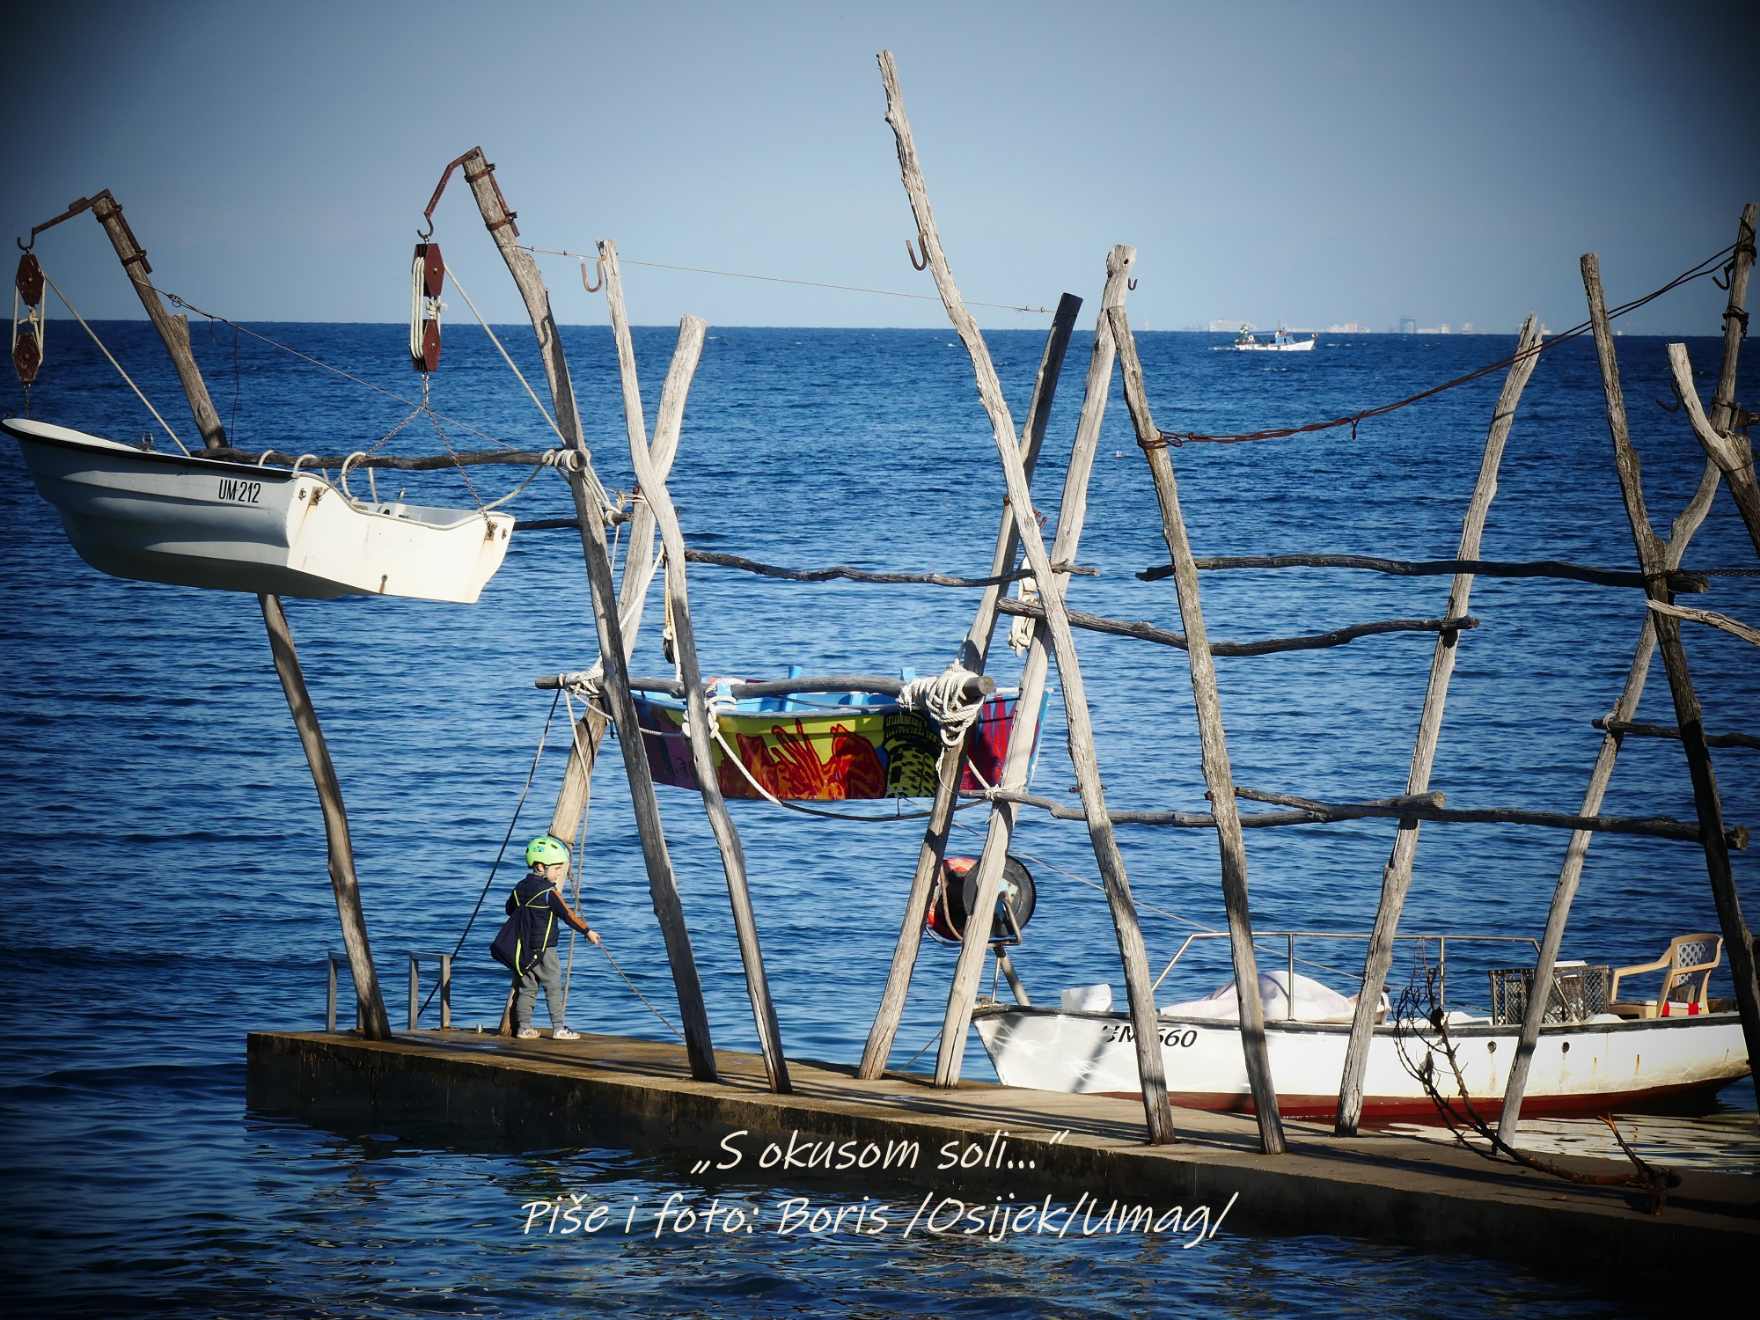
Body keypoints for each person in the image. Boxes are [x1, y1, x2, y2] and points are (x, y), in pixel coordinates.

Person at [506, 834, 600, 1041]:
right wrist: (587, 931)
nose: (560, 874)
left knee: (527, 988)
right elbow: (567, 915)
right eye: (557, 868)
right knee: (553, 986)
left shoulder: (520, 887)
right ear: (540, 866)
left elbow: (509, 909)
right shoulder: (549, 891)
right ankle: (559, 1028)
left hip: (523, 948)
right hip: (545, 948)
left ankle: (524, 1028)